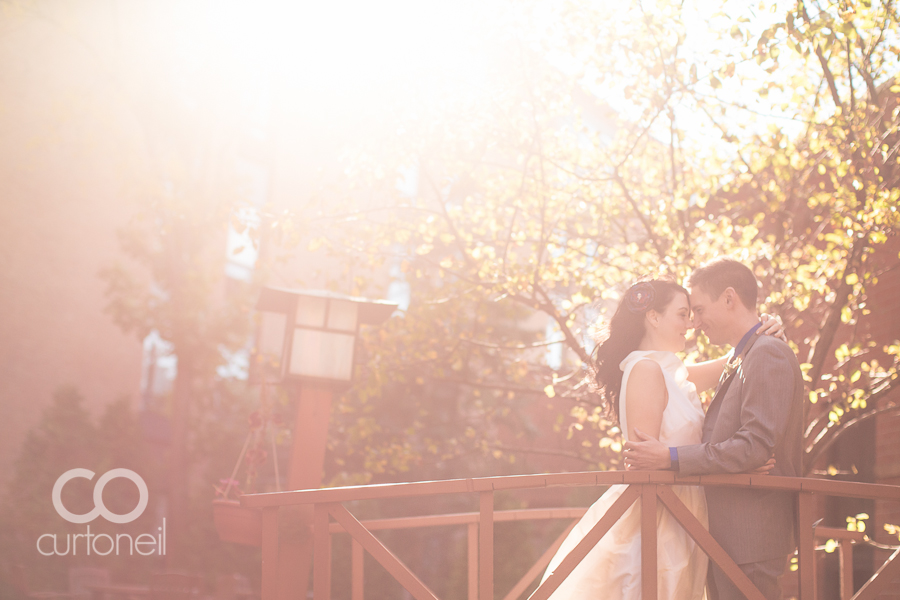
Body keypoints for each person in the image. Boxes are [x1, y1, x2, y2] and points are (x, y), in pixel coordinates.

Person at [539, 277, 783, 600]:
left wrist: (765, 328)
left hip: (682, 518)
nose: (692, 324)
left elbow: (734, 361)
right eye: (682, 314)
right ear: (653, 317)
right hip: (656, 526)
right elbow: (645, 470)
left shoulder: (669, 371)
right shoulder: (646, 371)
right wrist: (731, 470)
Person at [623, 259, 804, 600]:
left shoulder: (768, 354)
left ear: (730, 298)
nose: (695, 323)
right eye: (687, 314)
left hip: (750, 536)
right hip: (723, 535)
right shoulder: (744, 356)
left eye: (700, 310)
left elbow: (755, 448)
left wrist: (670, 457)